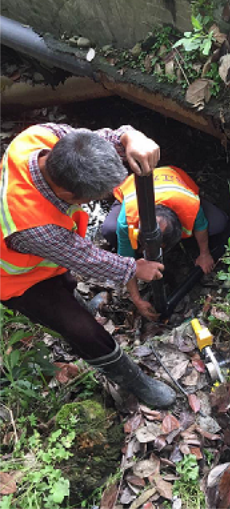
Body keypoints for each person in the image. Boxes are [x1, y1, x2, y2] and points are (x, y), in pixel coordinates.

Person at [0, 123, 176, 409]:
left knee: (67, 284)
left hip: (44, 260)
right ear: (69, 196)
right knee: (80, 328)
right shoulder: (34, 226)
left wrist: (129, 136)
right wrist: (134, 268)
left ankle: (80, 301)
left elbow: (91, 141)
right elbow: (85, 259)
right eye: (94, 199)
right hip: (16, 278)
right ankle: (134, 382)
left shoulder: (37, 138)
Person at [101, 166, 228, 317]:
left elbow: (201, 226)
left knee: (218, 223)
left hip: (173, 180)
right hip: (133, 189)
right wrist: (137, 299)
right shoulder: (127, 220)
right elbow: (125, 262)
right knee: (110, 229)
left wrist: (204, 254)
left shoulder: (189, 205)